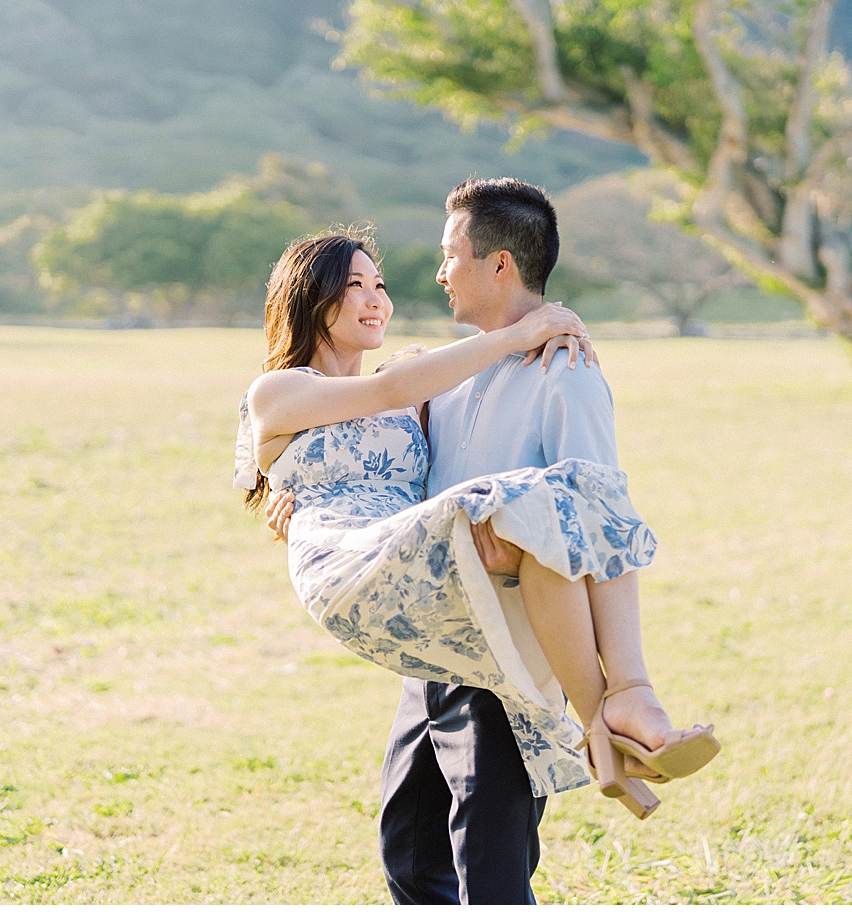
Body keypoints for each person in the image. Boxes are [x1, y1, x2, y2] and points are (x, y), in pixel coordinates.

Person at [238, 181, 719, 904]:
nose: (427, 277)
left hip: (513, 638)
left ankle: (620, 706)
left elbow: (600, 520)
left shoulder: (568, 371)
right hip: (428, 616)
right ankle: (608, 726)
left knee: (490, 865)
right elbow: (359, 426)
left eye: (446, 255)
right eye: (356, 284)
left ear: (498, 265)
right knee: (410, 852)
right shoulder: (438, 379)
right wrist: (289, 492)